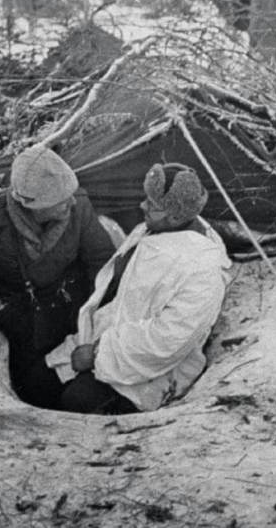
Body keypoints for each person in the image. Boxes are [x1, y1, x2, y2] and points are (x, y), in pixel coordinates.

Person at [0, 145, 117, 407]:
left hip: (68, 313)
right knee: (33, 388)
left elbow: (102, 263)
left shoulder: (79, 207)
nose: (72, 202)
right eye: (62, 200)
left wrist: (99, 313)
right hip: (19, 322)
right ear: (32, 205)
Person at [45, 163, 231, 414]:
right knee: (37, 382)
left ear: (176, 216)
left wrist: (98, 354)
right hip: (111, 334)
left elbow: (167, 341)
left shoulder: (202, 270)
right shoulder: (156, 227)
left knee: (75, 403)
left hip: (146, 366)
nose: (142, 206)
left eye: (152, 205)